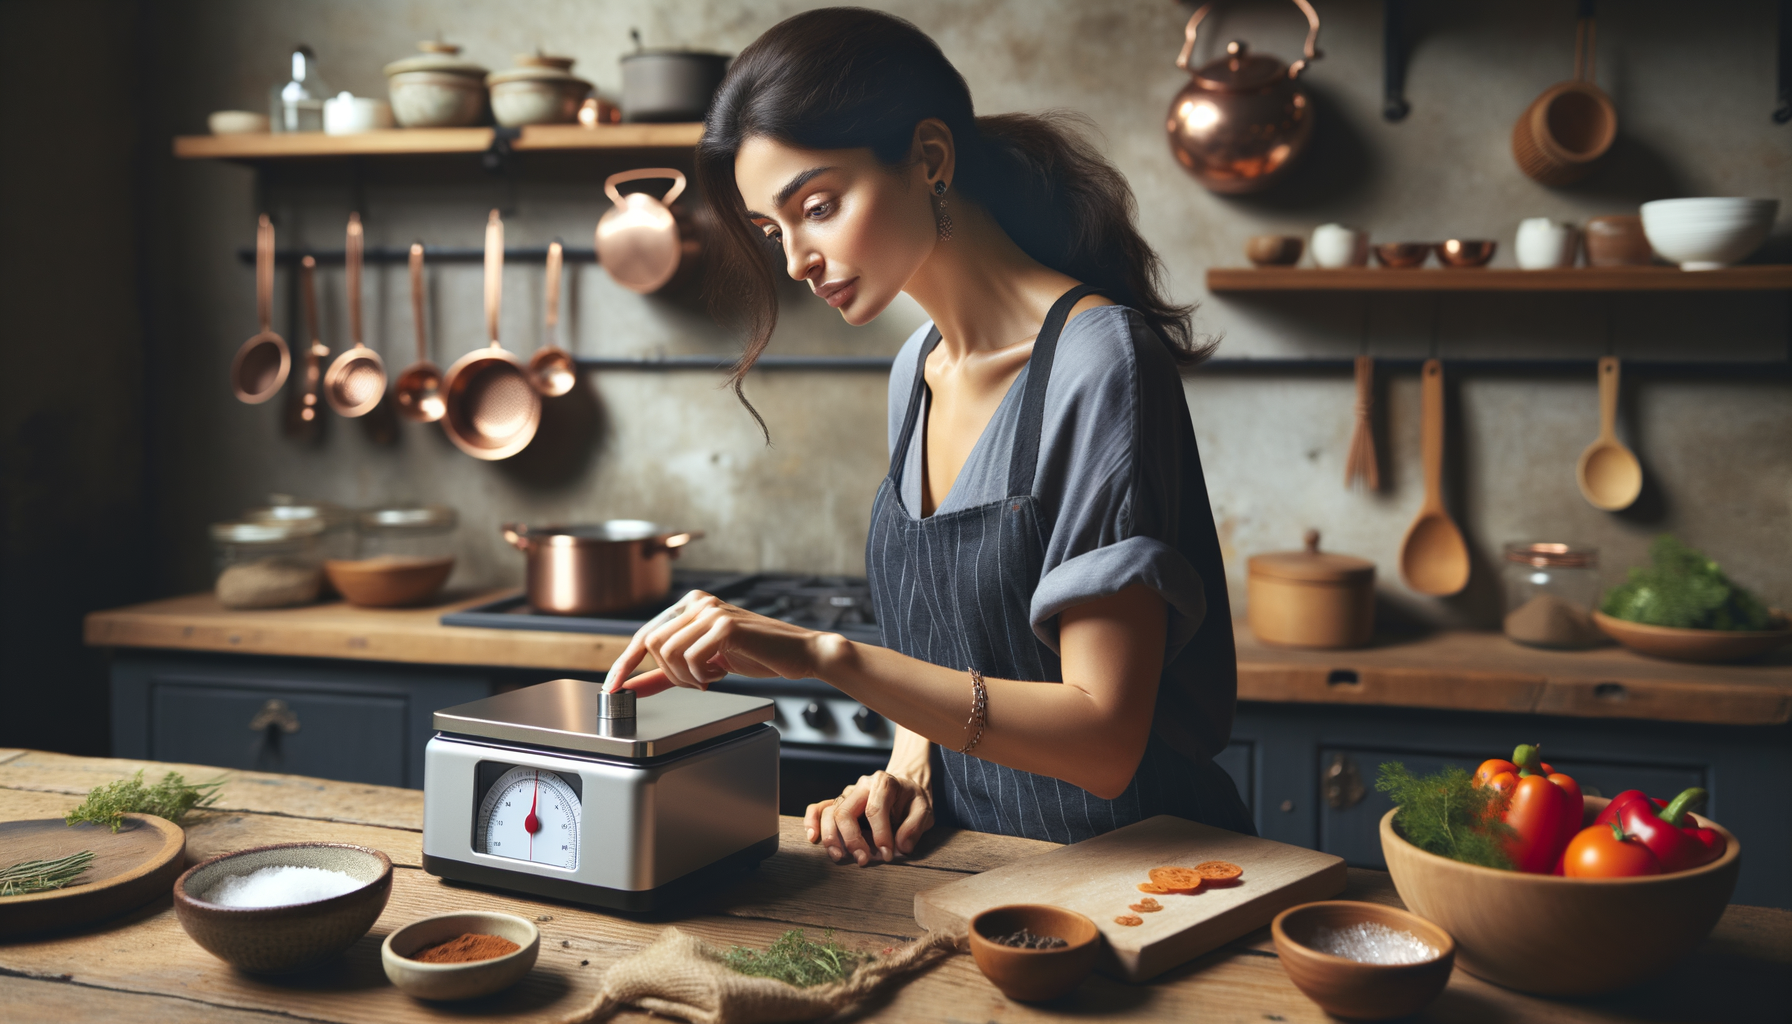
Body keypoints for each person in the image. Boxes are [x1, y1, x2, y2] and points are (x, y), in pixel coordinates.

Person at [604, 7, 1252, 866]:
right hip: (975, 872)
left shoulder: (1101, 363)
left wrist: (826, 656)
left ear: (930, 159)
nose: (796, 260)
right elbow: (954, 650)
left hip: (1143, 884)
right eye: (773, 230)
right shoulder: (915, 368)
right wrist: (908, 769)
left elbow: (1103, 740)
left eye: (819, 206)